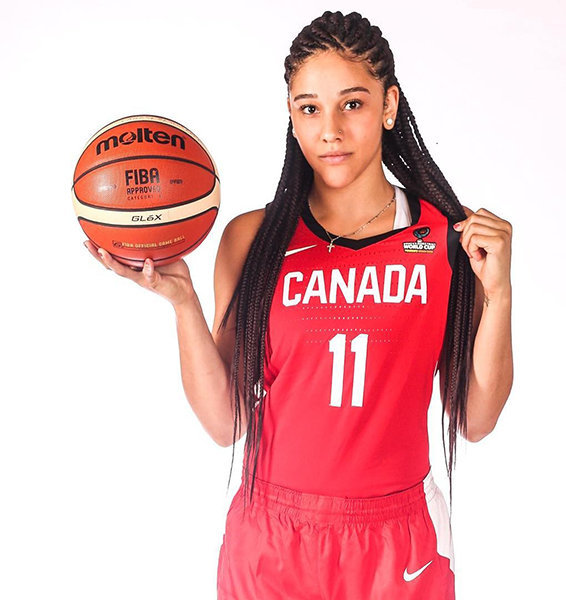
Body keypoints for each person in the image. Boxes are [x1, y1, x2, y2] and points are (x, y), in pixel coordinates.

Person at [85, 10, 513, 599]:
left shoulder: (446, 237)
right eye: (309, 108)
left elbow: (476, 420)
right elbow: (225, 423)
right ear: (291, 114)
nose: (330, 130)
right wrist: (182, 302)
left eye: (352, 104)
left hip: (397, 540)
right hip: (271, 536)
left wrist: (499, 294)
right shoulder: (253, 240)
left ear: (389, 106)